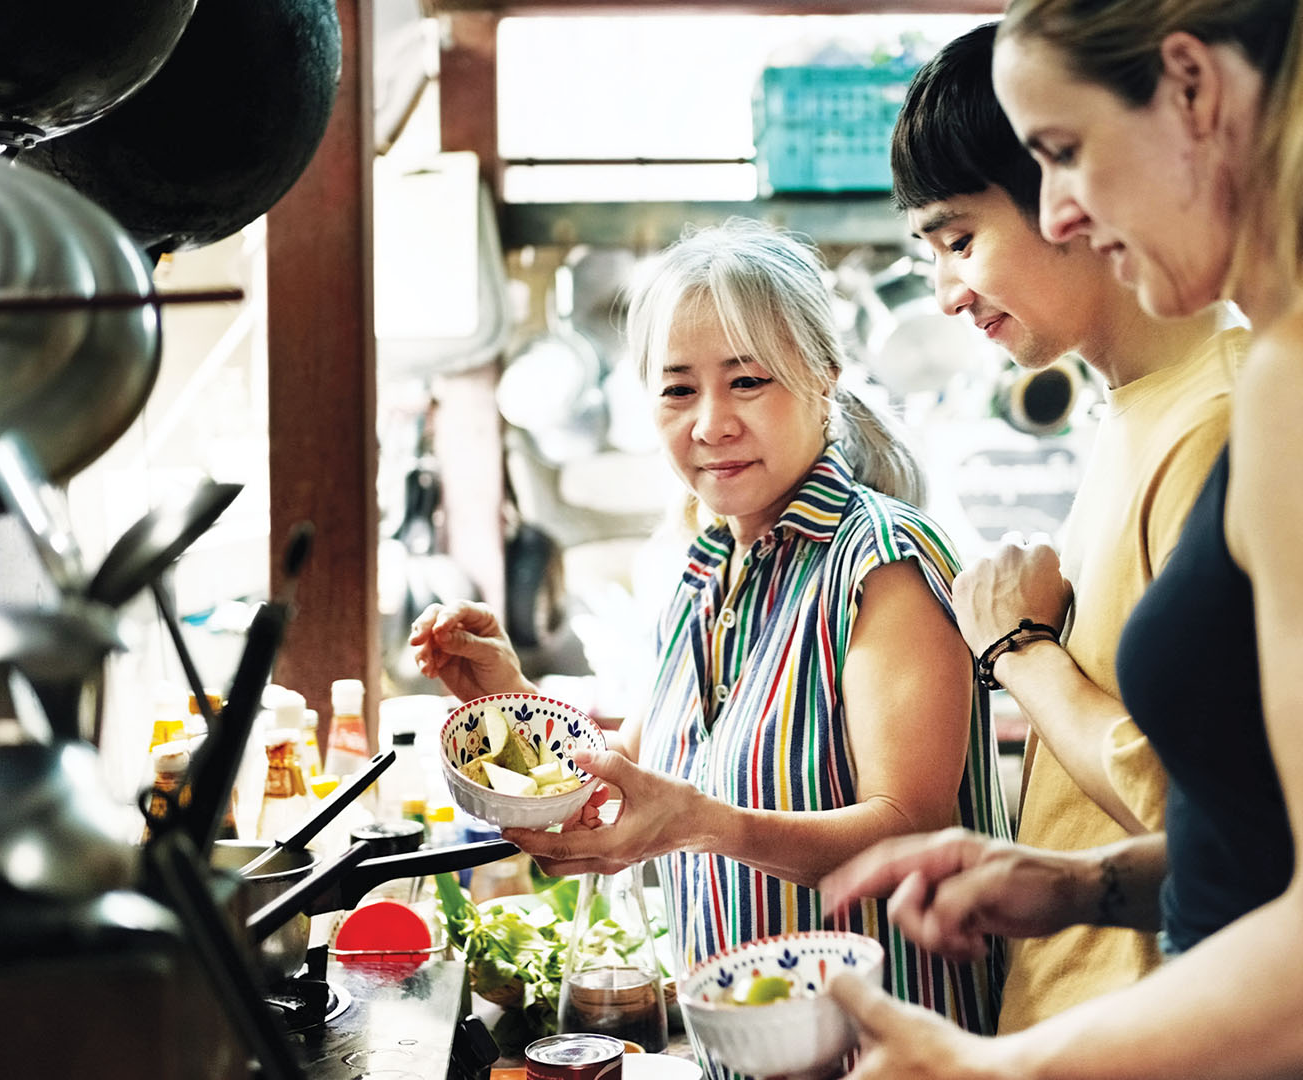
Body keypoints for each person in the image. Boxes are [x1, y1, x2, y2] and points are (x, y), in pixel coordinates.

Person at [816, 1, 1303, 1078]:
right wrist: (1081, 885)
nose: (1056, 213)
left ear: (1193, 90)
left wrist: (997, 1071)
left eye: (1063, 153)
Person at [409, 220, 1010, 1071]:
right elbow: (632, 773)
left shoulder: (882, 562)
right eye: (678, 390)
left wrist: (703, 825)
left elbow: (910, 828)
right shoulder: (704, 565)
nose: (711, 422)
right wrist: (504, 697)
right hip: (744, 1055)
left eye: (748, 381)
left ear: (824, 378)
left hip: (889, 1053)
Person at [892, 21, 1246, 1034]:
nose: (951, 293)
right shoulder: (1133, 408)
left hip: (1153, 1027)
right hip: (1075, 1020)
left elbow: (1208, 817)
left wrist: (1018, 652)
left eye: (962, 239)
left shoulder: (1217, 420)